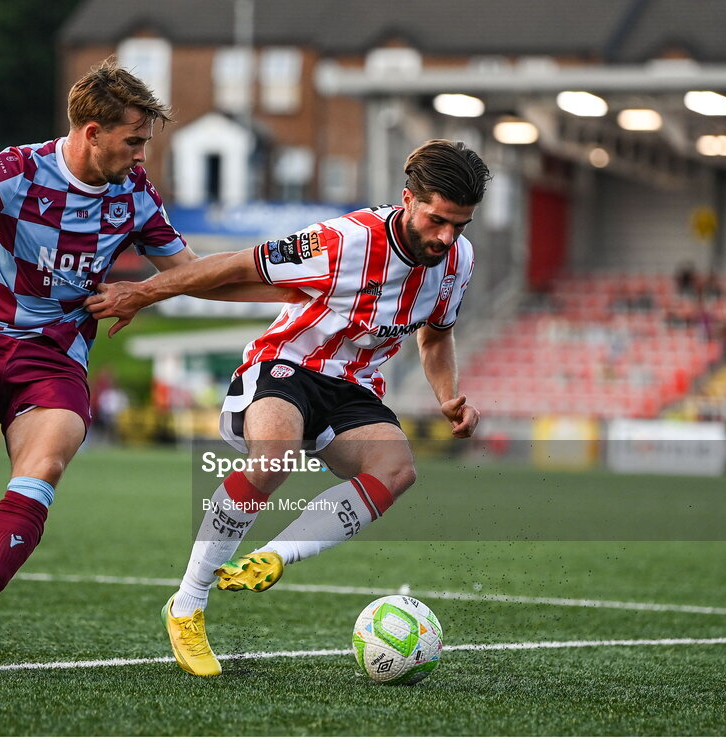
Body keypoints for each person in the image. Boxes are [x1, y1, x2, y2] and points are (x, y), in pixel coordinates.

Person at [0, 58, 293, 656]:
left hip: (54, 358)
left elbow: (193, 275)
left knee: (43, 465)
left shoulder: (135, 196)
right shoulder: (15, 171)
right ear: (92, 133)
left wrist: (299, 286)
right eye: (135, 141)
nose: (143, 155)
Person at [86, 139, 490, 677]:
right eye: (438, 220)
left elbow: (437, 338)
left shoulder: (457, 260)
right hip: (287, 366)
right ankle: (187, 605)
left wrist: (447, 396)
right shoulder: (343, 241)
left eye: (459, 225)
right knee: (274, 455)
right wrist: (144, 292)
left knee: (397, 470)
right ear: (408, 199)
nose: (447, 237)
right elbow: (236, 265)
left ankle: (275, 555)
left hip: (353, 388)